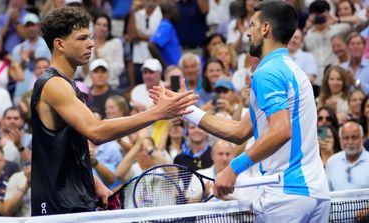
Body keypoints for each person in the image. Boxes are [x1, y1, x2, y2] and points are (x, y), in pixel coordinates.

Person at [150, 1, 330, 221]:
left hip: (287, 195)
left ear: (265, 29)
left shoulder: (268, 72)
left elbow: (282, 130)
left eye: (252, 25)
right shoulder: (293, 70)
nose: (247, 32)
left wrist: (232, 168)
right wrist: (188, 111)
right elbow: (239, 132)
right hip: (317, 193)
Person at [31, 6, 196, 216]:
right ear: (59, 44)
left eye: (90, 37)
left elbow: (69, 149)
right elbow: (96, 132)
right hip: (58, 207)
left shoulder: (67, 85)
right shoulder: (54, 84)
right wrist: (158, 112)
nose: (91, 43)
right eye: (82, 38)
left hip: (74, 201)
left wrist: (94, 183)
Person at [326, 120, 369, 191]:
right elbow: (327, 194)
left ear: (362, 138)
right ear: (340, 140)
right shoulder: (331, 162)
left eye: (354, 137)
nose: (350, 142)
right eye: (346, 138)